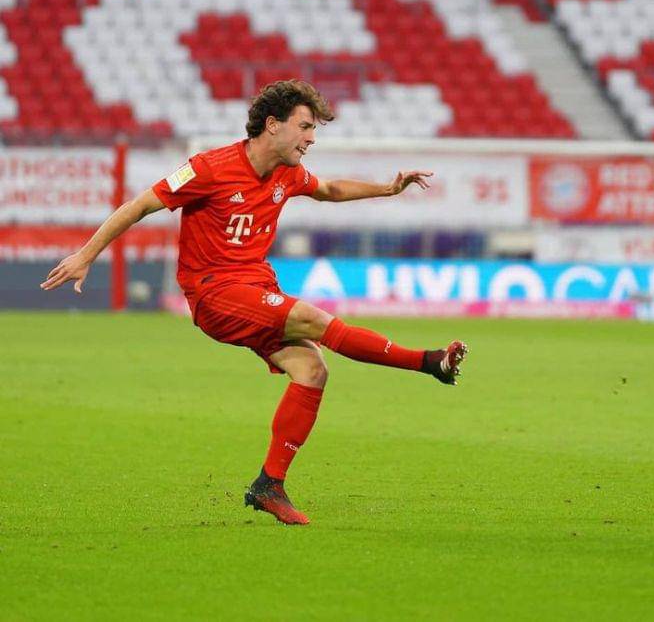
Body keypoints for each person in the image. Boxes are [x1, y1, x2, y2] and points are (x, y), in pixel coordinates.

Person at [41, 80, 467, 526]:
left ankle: (269, 485)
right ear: (272, 125)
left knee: (312, 370)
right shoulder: (209, 167)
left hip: (255, 286)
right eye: (305, 127)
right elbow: (140, 204)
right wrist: (86, 255)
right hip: (213, 292)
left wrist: (387, 189)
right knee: (312, 318)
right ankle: (428, 362)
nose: (312, 138)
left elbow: (330, 191)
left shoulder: (287, 173)